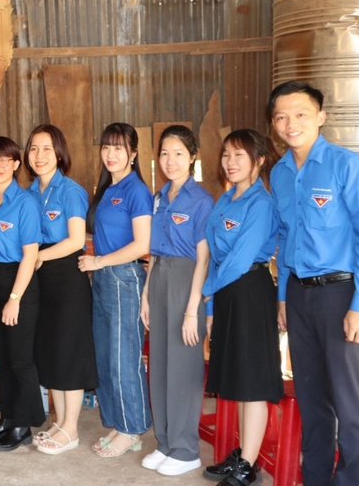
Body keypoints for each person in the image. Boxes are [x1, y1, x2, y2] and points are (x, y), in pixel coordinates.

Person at [270, 81, 359, 486]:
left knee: (348, 403)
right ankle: (316, 478)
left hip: (341, 294)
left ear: (320, 116)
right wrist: (283, 297)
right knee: (312, 399)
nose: (291, 123)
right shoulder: (280, 173)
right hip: (299, 295)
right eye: (281, 116)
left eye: (300, 114)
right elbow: (285, 239)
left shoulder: (348, 166)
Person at [201, 129, 284, 486]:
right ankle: (242, 455)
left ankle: (248, 466)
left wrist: (206, 292)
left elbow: (239, 259)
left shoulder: (261, 203)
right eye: (226, 155)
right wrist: (210, 308)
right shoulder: (225, 199)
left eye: (239, 155)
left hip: (250, 291)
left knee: (252, 382)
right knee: (237, 377)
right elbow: (215, 255)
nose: (230, 162)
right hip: (226, 293)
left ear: (259, 160)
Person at [139, 125, 213, 476]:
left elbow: (204, 259)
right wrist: (146, 295)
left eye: (179, 153)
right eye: (165, 153)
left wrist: (192, 309)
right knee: (161, 366)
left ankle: (186, 449)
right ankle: (166, 442)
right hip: (159, 278)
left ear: (193, 156)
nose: (171, 161)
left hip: (187, 281)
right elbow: (153, 253)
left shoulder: (201, 200)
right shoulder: (159, 197)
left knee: (183, 367)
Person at [78, 122, 152, 458]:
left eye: (119, 148)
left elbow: (142, 244)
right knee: (106, 356)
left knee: (124, 357)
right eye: (106, 147)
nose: (111, 154)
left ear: (133, 153)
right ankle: (119, 423)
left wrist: (98, 261)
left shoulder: (137, 190)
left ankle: (132, 429)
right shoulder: (108, 189)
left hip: (123, 277)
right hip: (104, 278)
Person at [23, 125, 98, 456]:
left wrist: (39, 256)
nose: (39, 155)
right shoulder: (28, 193)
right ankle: (60, 422)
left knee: (69, 352)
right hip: (39, 280)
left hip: (66, 277)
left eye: (46, 149)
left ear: (59, 154)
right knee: (51, 351)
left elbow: (76, 240)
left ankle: (72, 428)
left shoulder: (70, 191)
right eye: (33, 148)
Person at [0, 136, 45, 452]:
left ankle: (22, 426)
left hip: (18, 282)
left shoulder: (25, 203)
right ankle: (7, 417)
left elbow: (30, 255)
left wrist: (14, 300)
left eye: (3, 159)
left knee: (20, 359)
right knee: (1, 358)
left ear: (16, 164)